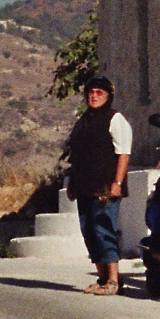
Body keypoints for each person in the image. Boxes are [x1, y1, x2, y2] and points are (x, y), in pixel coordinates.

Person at [63, 74, 132, 294]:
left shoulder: (115, 119)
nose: (94, 96)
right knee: (89, 231)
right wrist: (72, 183)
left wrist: (117, 182)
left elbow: (123, 153)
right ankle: (102, 279)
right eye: (90, 93)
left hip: (105, 187)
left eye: (99, 93)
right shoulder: (83, 120)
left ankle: (113, 281)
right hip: (84, 186)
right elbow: (77, 155)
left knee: (104, 230)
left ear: (108, 96)